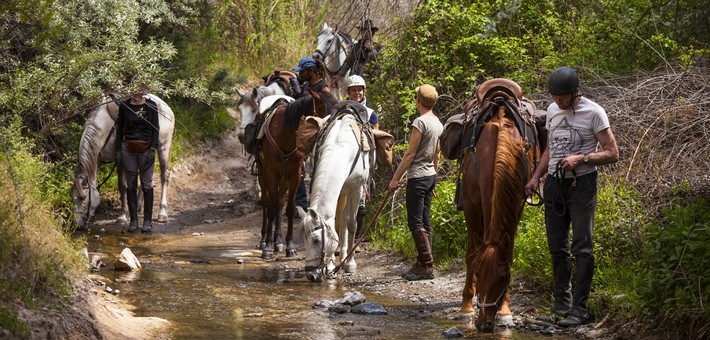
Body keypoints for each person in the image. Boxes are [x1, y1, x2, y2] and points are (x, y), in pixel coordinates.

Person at [524, 66, 619, 327]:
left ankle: (580, 308)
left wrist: (583, 157)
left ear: (575, 93)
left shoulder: (594, 112)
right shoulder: (553, 110)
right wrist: (535, 177)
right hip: (554, 184)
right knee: (557, 247)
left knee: (582, 246)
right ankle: (561, 305)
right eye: (554, 97)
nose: (557, 102)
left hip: (582, 184)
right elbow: (550, 149)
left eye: (562, 98)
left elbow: (612, 153)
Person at [387, 84, 443, 281]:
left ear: (418, 101)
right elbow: (437, 153)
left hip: (418, 177)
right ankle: (422, 261)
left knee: (415, 222)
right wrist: (434, 175)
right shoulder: (437, 122)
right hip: (429, 176)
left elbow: (410, 154)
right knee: (425, 220)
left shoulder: (420, 122)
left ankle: (427, 265)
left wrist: (395, 179)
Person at [115, 83, 161, 233]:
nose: (143, 90)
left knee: (146, 183)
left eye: (144, 87)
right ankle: (133, 220)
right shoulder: (124, 106)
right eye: (140, 86)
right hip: (128, 148)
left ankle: (147, 221)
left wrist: (153, 149)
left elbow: (156, 129)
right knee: (131, 184)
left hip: (146, 148)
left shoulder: (151, 106)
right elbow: (119, 128)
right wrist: (118, 150)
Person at [292, 56, 331, 217]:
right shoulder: (307, 85)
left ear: (311, 71)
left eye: (302, 72)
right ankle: (301, 203)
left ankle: (316, 205)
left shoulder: (323, 87)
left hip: (317, 133)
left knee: (317, 169)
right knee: (297, 166)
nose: (299, 75)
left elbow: (328, 111)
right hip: (304, 131)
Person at [346, 75, 379, 252]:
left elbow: (375, 138)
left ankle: (357, 238)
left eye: (359, 89)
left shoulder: (371, 112)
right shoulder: (342, 110)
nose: (357, 93)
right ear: (348, 92)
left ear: (364, 91)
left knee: (361, 203)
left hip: (363, 159)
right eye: (353, 90)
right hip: (345, 158)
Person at [334, 19, 381, 85]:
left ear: (372, 33)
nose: (365, 33)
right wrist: (339, 75)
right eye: (363, 31)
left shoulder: (378, 47)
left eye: (368, 31)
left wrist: (371, 49)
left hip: (371, 80)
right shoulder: (356, 46)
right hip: (355, 79)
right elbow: (348, 62)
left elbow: (379, 62)